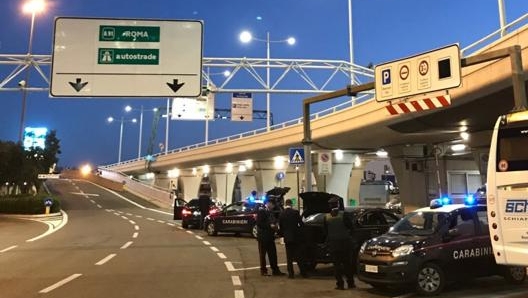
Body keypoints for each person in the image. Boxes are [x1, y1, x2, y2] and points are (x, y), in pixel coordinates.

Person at [324, 196, 355, 290]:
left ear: (330, 206)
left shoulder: (327, 217)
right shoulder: (344, 215)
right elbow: (351, 227)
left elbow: (325, 231)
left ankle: (340, 284)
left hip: (334, 244)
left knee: (336, 265)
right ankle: (350, 283)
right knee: (347, 264)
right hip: (345, 244)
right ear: (338, 204)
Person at [279, 199, 307, 278]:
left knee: (289, 257)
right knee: (299, 256)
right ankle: (303, 273)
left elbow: (280, 226)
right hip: (296, 237)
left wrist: (282, 235)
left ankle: (291, 274)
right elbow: (301, 224)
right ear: (291, 204)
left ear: (285, 204)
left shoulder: (282, 214)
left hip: (287, 238)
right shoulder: (295, 212)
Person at [256, 197, 285, 276]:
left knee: (273, 254)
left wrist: (276, 227)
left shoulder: (271, 212)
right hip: (263, 237)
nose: (273, 206)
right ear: (268, 203)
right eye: (272, 204)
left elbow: (274, 221)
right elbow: (259, 223)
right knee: (263, 255)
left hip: (270, 237)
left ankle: (275, 270)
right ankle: (263, 271)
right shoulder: (262, 211)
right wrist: (270, 226)